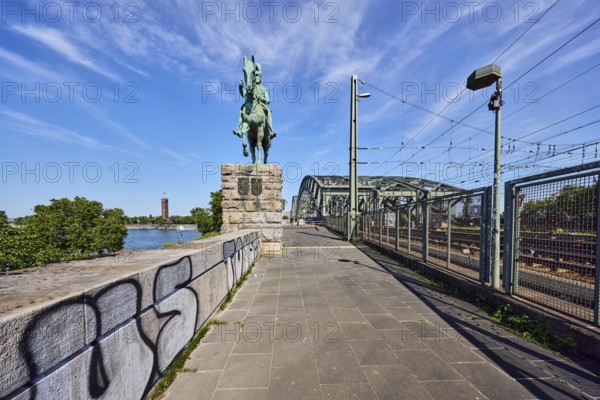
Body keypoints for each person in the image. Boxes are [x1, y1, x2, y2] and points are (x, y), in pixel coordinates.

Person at [233, 62, 276, 140]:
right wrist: (240, 87)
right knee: (241, 110)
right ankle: (239, 129)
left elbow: (268, 100)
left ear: (260, 77)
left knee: (269, 112)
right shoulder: (249, 88)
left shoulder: (263, 89)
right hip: (250, 105)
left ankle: (270, 131)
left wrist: (261, 98)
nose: (256, 77)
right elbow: (243, 94)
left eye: (258, 76)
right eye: (255, 76)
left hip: (260, 104)